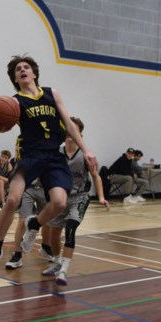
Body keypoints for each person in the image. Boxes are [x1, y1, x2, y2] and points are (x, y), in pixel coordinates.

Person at [0, 55, 97, 280]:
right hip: (31, 156)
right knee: (12, 199)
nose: (22, 70)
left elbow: (69, 124)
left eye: (26, 67)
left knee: (60, 202)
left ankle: (35, 224)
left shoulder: (53, 94)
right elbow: (2, 122)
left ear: (34, 73)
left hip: (54, 156)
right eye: (17, 69)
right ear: (15, 78)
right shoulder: (14, 103)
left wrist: (86, 149)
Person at [42, 116, 110, 285]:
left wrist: (101, 197)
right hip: (61, 196)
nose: (71, 134)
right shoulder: (56, 153)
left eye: (75, 130)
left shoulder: (86, 155)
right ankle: (58, 262)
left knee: (70, 229)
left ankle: (64, 271)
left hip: (80, 196)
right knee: (54, 234)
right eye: (68, 130)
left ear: (80, 134)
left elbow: (96, 177)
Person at [4, 177, 54, 270]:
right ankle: (17, 254)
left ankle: (46, 247)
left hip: (46, 187)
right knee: (22, 221)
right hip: (28, 188)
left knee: (47, 220)